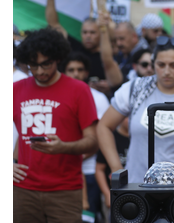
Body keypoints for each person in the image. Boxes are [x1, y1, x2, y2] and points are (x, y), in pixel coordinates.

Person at [97, 36, 174, 183]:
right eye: (161, 65)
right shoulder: (135, 89)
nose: (167, 71)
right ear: (153, 63)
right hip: (137, 186)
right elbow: (103, 126)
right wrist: (117, 169)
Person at [14, 27, 99, 223]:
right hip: (23, 188)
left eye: (46, 64)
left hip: (65, 190)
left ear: (58, 58)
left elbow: (93, 142)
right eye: (33, 65)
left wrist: (64, 147)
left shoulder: (79, 90)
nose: (40, 71)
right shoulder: (15, 89)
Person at [61, 52, 110, 223]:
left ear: (87, 72)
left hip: (90, 170)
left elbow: (102, 136)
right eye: (71, 69)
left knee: (89, 218)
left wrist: (71, 153)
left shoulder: (99, 98)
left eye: (80, 69)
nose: (76, 74)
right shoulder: (58, 96)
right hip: (62, 172)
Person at [95, 117, 129, 218]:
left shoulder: (142, 139)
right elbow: (99, 169)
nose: (129, 120)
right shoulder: (109, 138)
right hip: (113, 191)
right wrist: (107, 193)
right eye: (127, 117)